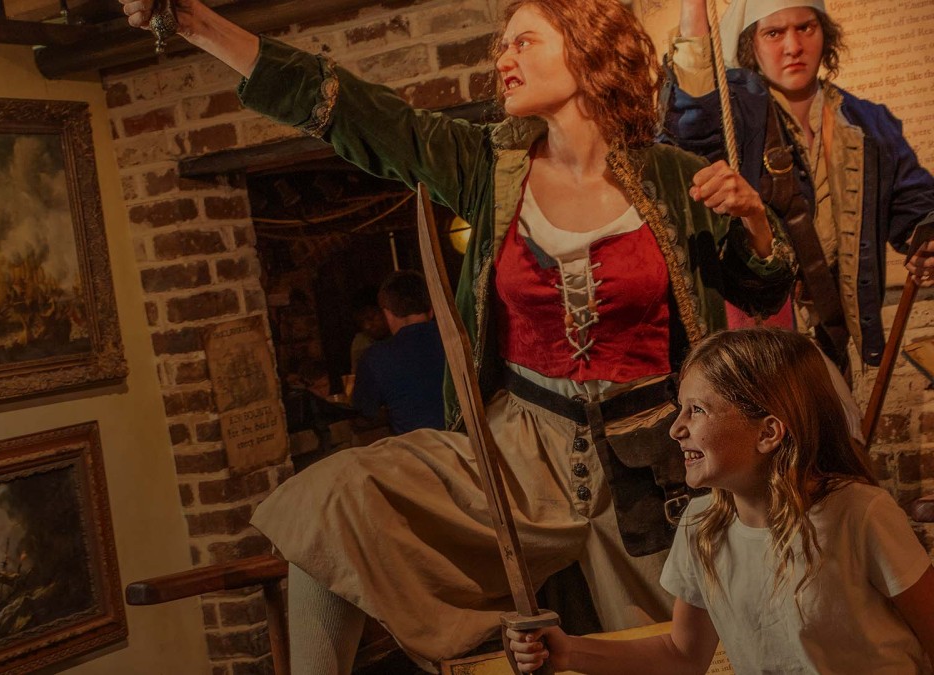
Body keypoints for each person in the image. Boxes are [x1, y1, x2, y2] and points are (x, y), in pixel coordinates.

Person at [121, 0, 794, 672]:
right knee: (327, 503)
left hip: (654, 469)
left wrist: (757, 222)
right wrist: (192, 20)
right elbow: (350, 108)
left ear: (588, 48)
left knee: (691, 657)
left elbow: (760, 293)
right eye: (501, 47)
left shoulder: (672, 178)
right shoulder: (488, 170)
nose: (504, 58)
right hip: (517, 458)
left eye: (524, 42)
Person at [506, 327, 934, 673]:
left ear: (768, 432)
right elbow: (682, 654)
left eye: (697, 410)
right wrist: (568, 654)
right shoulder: (701, 525)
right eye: (681, 409)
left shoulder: (860, 514)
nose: (676, 430)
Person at [661, 0, 934, 371]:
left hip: (837, 338)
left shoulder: (871, 123)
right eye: (774, 33)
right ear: (750, 44)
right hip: (760, 339)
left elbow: (916, 206)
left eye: (805, 28)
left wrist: (928, 242)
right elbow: (692, 121)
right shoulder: (738, 112)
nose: (793, 47)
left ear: (825, 33)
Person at [352, 270, 447, 435]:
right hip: (472, 448)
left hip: (419, 454)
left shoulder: (375, 358)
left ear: (387, 314)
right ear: (431, 309)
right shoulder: (460, 340)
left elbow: (362, 417)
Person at [349, 287, 390, 376]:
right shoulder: (361, 343)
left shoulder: (402, 335)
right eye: (361, 322)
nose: (367, 326)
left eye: (371, 318)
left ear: (386, 311)